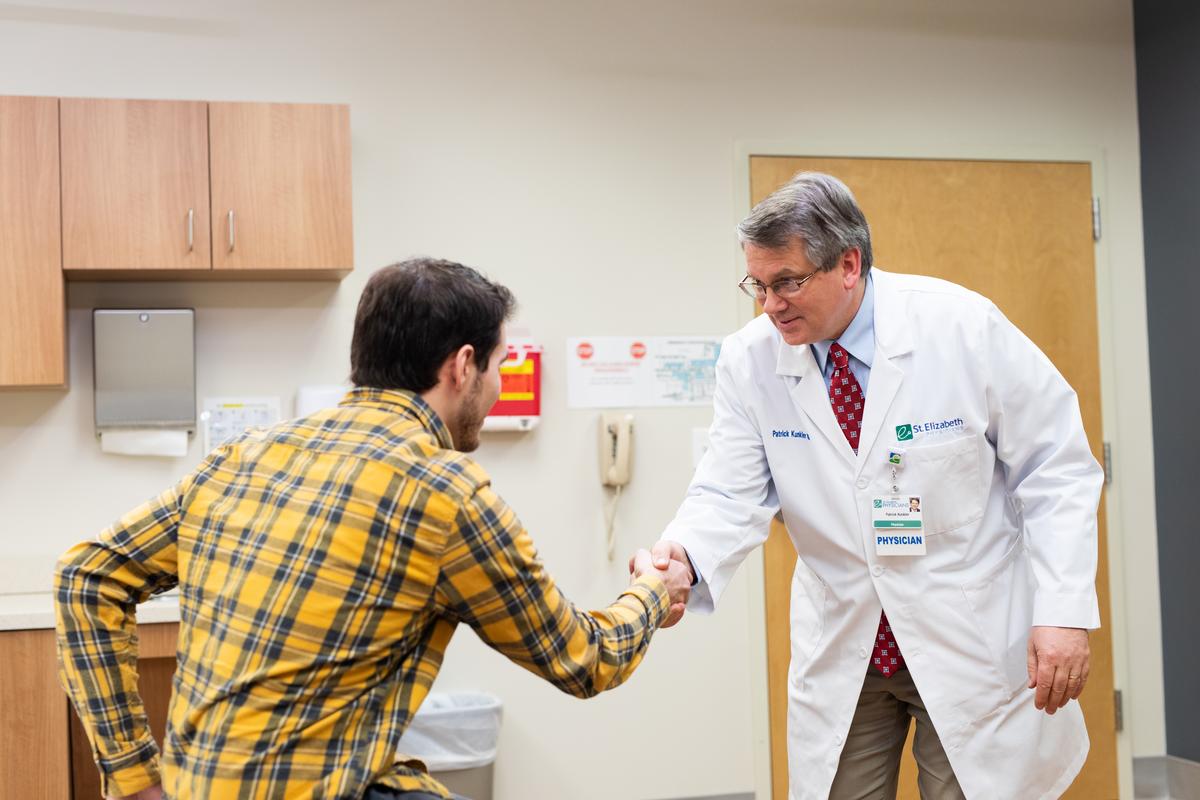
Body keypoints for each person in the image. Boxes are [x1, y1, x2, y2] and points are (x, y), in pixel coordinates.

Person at [56, 258, 691, 800]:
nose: (499, 387)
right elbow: (582, 660)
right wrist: (652, 593)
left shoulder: (243, 456)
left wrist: (133, 775)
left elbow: (85, 575)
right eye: (499, 365)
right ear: (462, 366)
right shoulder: (444, 492)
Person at [647, 173, 1103, 799]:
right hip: (848, 640)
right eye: (758, 284)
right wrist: (684, 560)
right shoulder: (749, 361)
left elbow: (1057, 467)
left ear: (849, 264)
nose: (770, 305)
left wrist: (1063, 611)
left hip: (966, 636)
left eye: (787, 282)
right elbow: (728, 492)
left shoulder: (960, 327)